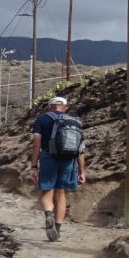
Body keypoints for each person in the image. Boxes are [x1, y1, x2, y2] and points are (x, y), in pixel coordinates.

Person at [29, 96, 86, 241]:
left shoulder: (43, 119)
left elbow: (36, 144)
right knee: (61, 193)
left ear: (50, 106)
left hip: (49, 157)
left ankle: (49, 214)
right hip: (68, 160)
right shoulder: (75, 121)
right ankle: (58, 229)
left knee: (47, 190)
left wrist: (34, 166)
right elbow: (80, 149)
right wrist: (81, 171)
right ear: (65, 107)